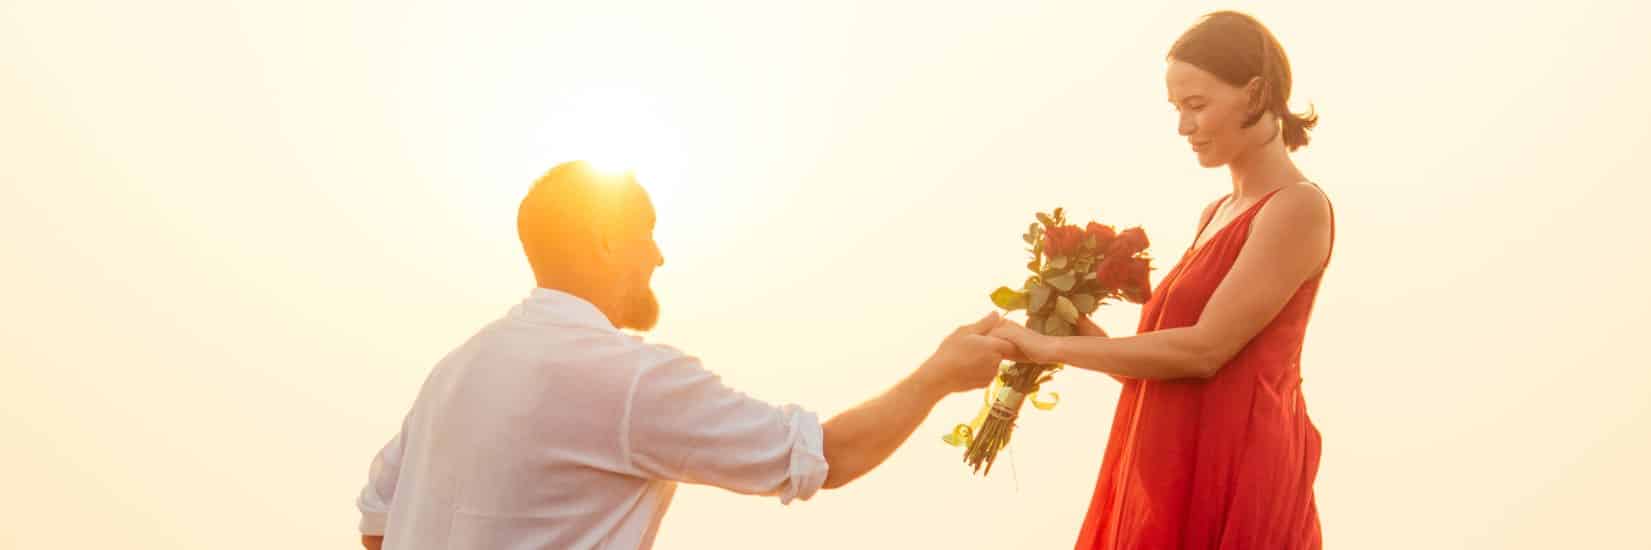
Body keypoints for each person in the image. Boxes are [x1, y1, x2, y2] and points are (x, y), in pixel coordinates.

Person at [355, 161, 1013, 549]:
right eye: (647, 234)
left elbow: (378, 523)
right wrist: (938, 376)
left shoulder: (457, 370)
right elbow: (827, 457)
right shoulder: (628, 381)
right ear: (606, 241)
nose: (659, 256)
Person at [989, 11, 1336, 549]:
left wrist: (1048, 346)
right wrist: (1089, 340)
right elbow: (1177, 372)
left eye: (1197, 105)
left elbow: (1204, 352)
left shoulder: (1296, 207)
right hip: (1174, 460)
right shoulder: (1217, 211)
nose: (1183, 126)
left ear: (1256, 93)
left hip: (1235, 475)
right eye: (1177, 108)